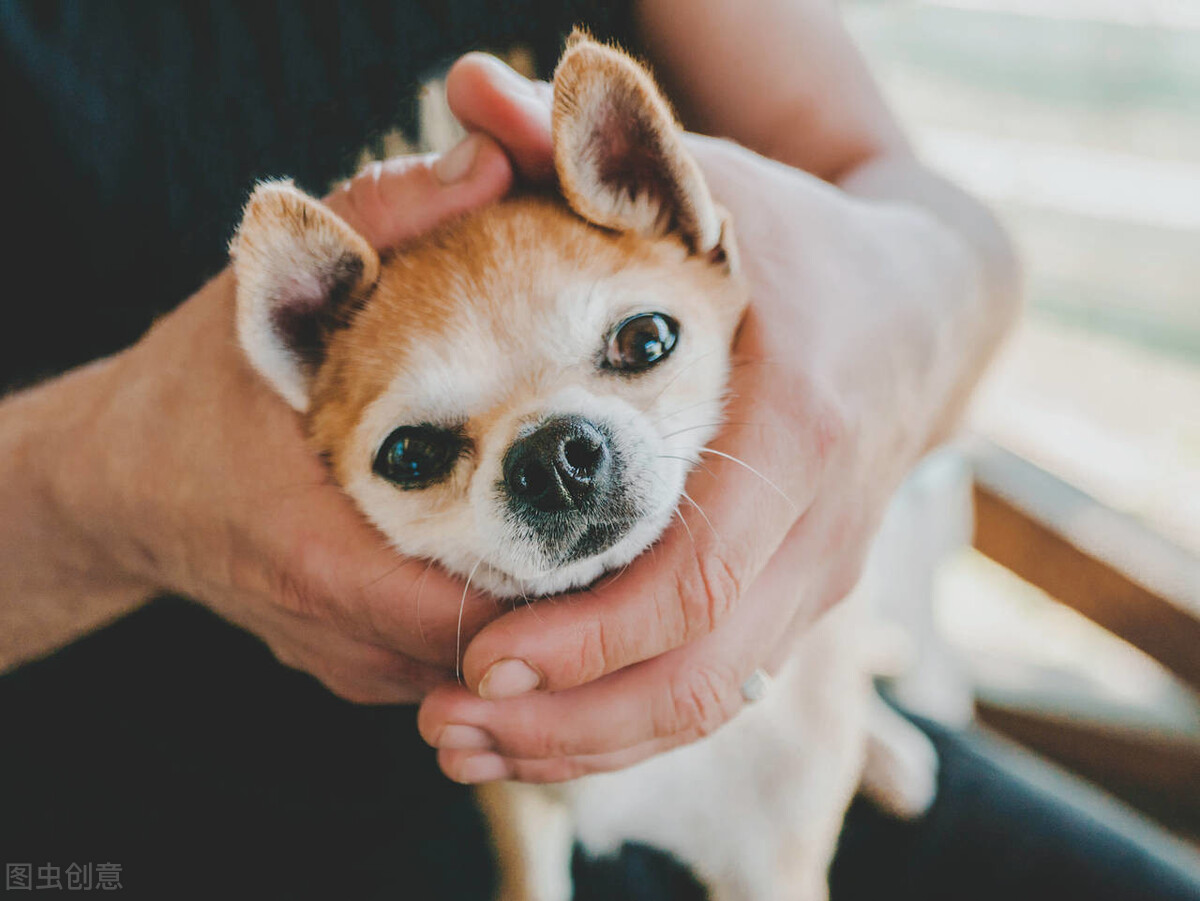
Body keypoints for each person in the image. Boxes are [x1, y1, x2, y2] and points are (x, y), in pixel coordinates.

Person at [3, 2, 1196, 899]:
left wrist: (911, 305)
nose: (558, 457)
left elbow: (937, 223)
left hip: (781, 697)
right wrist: (98, 486)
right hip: (126, 818)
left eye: (636, 345)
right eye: (422, 451)